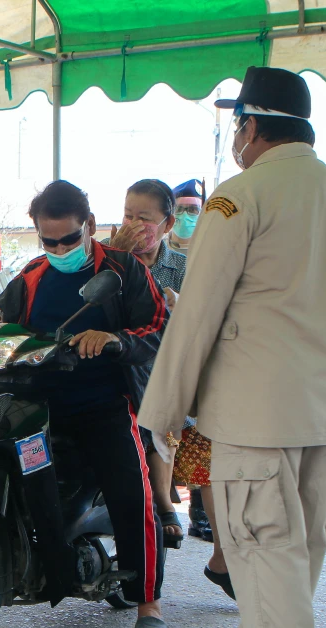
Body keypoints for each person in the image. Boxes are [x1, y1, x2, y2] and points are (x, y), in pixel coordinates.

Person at [138, 67, 326, 628]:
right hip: (324, 409)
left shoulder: (238, 198)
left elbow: (197, 313)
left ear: (250, 127)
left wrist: (163, 412)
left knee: (260, 544)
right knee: (295, 546)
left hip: (255, 410)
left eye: (236, 126)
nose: (235, 139)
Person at [0, 180, 169, 628]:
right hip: (38, 409)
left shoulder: (124, 270)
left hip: (104, 405)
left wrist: (116, 340)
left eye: (69, 239)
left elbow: (158, 328)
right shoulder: (29, 278)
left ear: (90, 225)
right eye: (48, 241)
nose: (59, 250)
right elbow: (6, 329)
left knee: (132, 495)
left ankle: (148, 603)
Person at [105, 179, 187, 547]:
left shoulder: (182, 267)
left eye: (145, 218)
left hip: (164, 364)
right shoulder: (106, 254)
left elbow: (203, 317)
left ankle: (164, 501)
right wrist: (115, 257)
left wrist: (178, 303)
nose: (135, 225)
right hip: (118, 358)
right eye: (128, 216)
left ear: (168, 224)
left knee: (162, 399)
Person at [167, 179, 205, 254]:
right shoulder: (157, 248)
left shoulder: (210, 248)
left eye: (193, 209)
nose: (184, 215)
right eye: (179, 209)